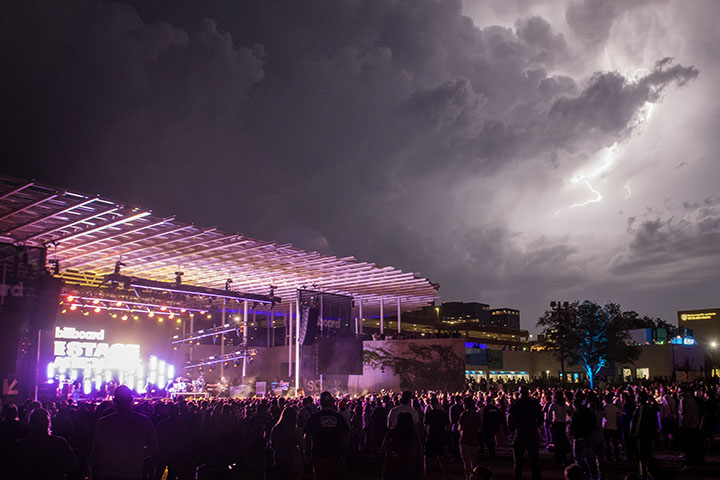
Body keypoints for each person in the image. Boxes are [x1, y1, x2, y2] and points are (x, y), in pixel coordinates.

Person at [91, 384, 158, 480]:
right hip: (132, 472)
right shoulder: (144, 421)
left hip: (107, 472)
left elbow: (96, 450)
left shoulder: (103, 422)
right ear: (131, 400)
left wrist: (94, 472)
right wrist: (136, 455)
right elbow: (154, 448)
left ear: (114, 401)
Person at [9, 408, 79, 480]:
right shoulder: (59, 443)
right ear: (48, 424)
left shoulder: (19, 445)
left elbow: (11, 471)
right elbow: (72, 466)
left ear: (30, 424)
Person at [304, 391, 350, 479]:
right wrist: (343, 449)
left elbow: (307, 436)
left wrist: (308, 453)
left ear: (320, 403)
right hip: (335, 455)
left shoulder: (314, 417)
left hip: (318, 455)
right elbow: (346, 433)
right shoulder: (338, 417)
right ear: (332, 403)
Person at [508, 385, 543, 480]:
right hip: (532, 432)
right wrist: (536, 424)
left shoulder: (516, 405)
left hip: (520, 433)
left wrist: (513, 431)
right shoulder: (534, 404)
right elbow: (541, 418)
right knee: (534, 460)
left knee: (518, 461)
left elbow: (510, 420)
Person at [381, 412, 424, 480]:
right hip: (409, 467)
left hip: (393, 466)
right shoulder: (413, 436)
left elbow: (384, 450)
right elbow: (418, 455)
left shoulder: (391, 435)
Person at [270, 406, 305, 480]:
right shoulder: (296, 431)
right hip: (293, 462)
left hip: (279, 460)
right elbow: (302, 445)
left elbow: (272, 445)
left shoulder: (275, 429)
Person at [569, 397, 598, 480]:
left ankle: (581, 477)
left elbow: (573, 427)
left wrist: (571, 434)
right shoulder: (589, 412)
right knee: (591, 461)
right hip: (589, 438)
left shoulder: (576, 414)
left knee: (579, 462)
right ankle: (594, 477)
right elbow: (594, 424)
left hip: (579, 439)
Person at [458, 397, 482, 480]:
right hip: (474, 439)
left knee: (467, 461)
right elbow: (479, 428)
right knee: (474, 460)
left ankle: (468, 477)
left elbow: (461, 427)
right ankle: (475, 476)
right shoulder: (477, 415)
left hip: (465, 439)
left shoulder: (464, 414)